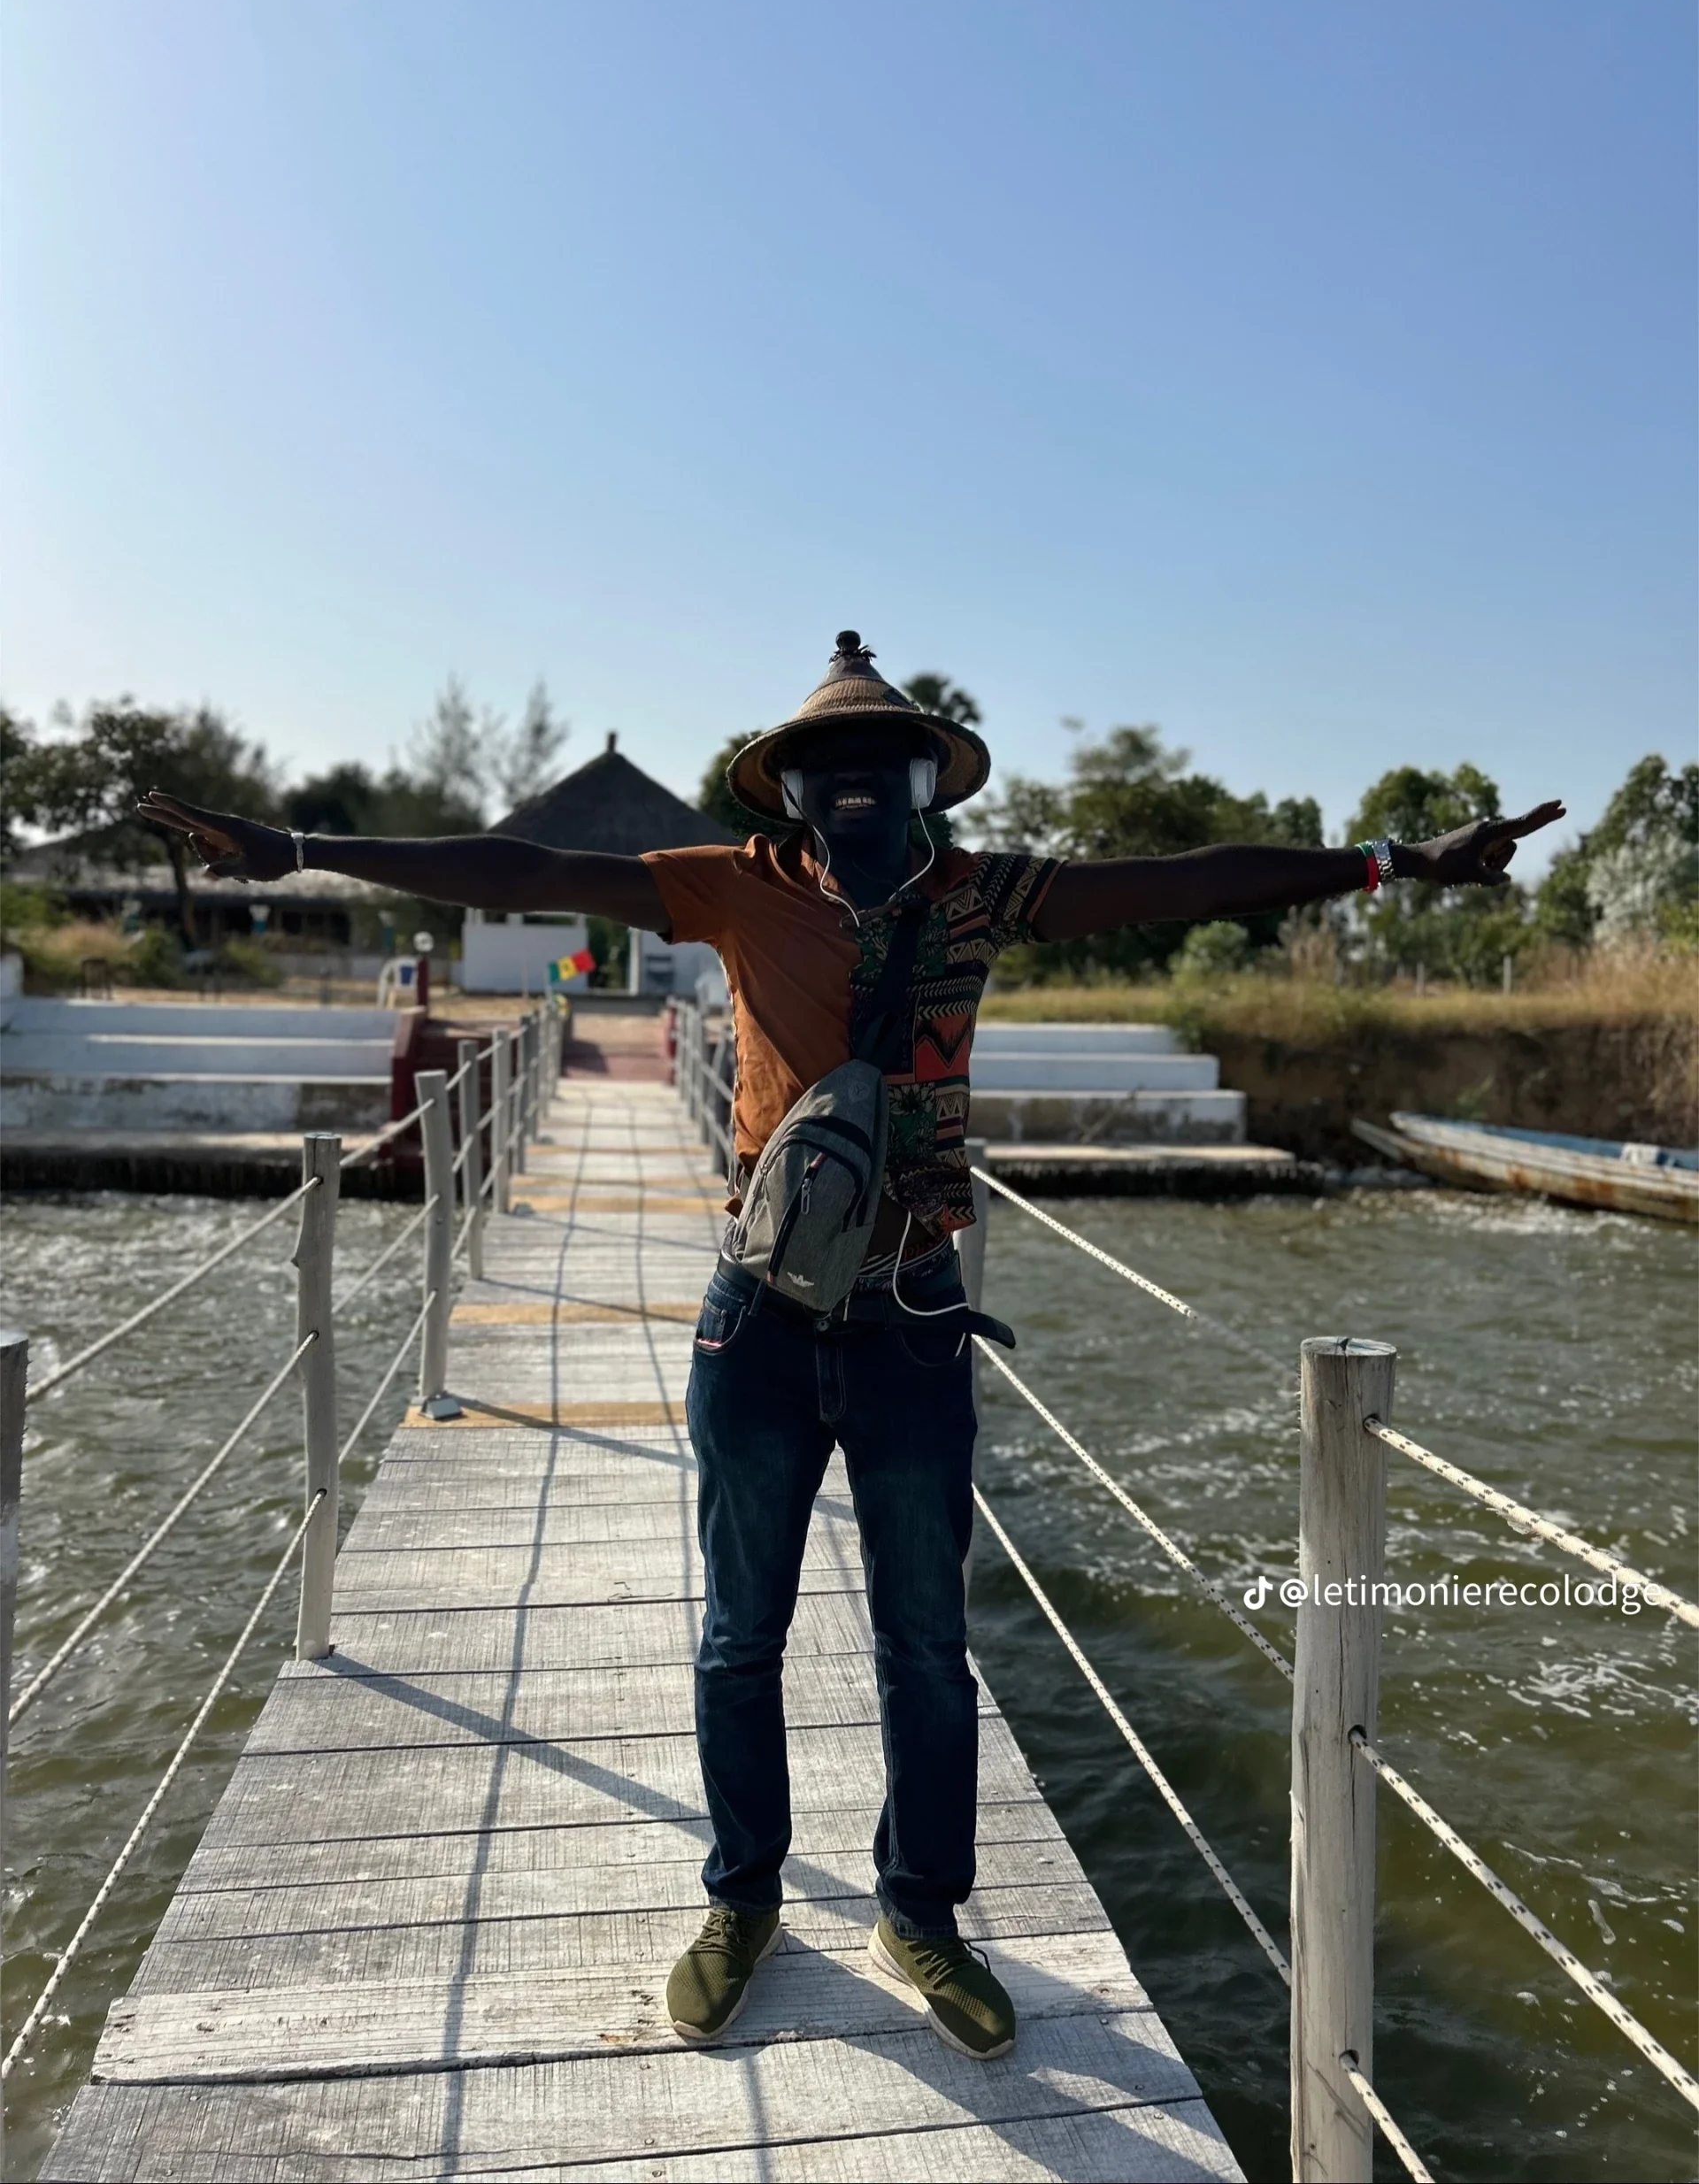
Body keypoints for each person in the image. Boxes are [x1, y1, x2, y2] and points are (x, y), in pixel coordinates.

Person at [140, 632, 1563, 2061]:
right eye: (830, 765)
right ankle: (742, 1900)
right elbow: (524, 865)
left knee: (929, 1649)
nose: (858, 783)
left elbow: (1189, 881)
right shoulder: (735, 887)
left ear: (925, 780)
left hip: (914, 1320)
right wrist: (296, 848)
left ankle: (921, 1915)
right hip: (756, 1320)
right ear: (793, 789)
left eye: (883, 761)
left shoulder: (986, 896)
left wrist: (1396, 863)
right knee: (737, 1637)